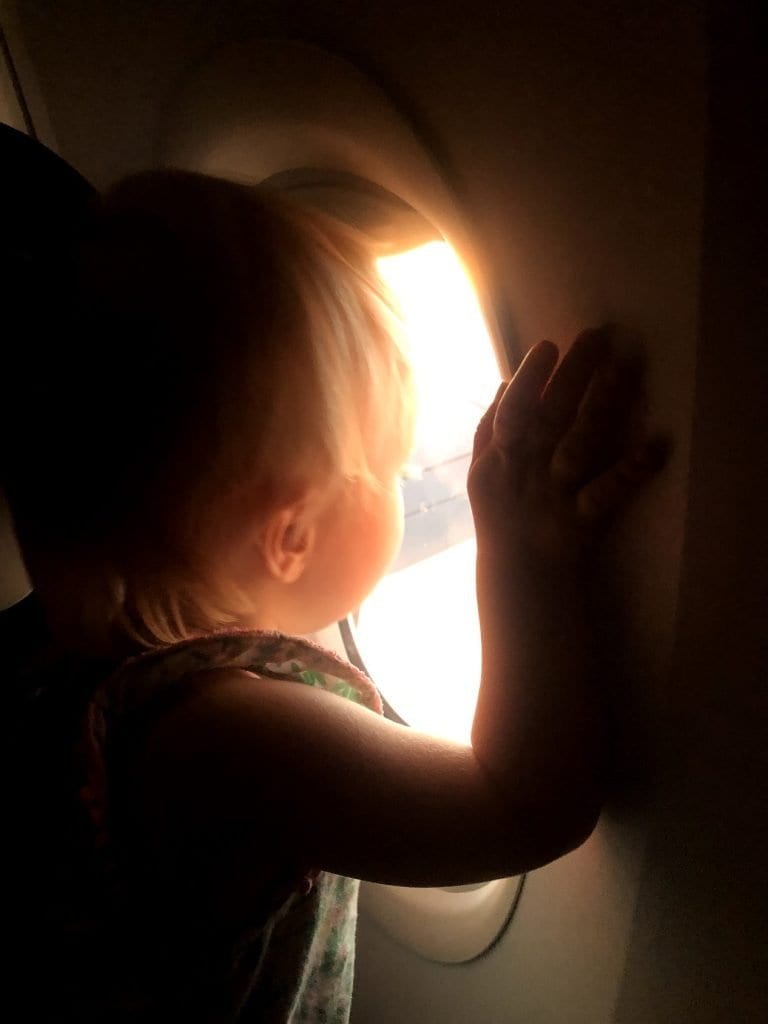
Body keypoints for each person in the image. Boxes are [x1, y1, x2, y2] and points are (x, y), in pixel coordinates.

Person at [5, 169, 664, 1022]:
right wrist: (521, 553)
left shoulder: (62, 658)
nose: (408, 482)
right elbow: (520, 808)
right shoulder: (236, 734)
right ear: (290, 537)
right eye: (388, 470)